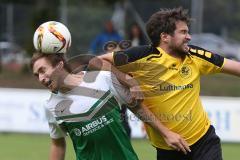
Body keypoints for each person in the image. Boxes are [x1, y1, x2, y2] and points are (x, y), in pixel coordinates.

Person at [89, 7, 240, 160]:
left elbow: (236, 67)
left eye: (187, 32)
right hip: (168, 148)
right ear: (165, 37)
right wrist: (129, 81)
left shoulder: (194, 55)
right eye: (183, 32)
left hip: (204, 141)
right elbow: (95, 62)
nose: (189, 37)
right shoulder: (141, 56)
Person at [30, 52, 184, 160]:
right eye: (36, 75)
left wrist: (166, 133)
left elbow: (136, 107)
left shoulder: (101, 78)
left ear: (59, 65)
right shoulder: (50, 106)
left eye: (42, 70)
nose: (41, 78)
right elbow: (58, 144)